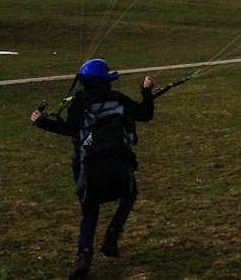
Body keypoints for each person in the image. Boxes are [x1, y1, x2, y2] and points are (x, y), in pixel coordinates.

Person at [31, 59, 155, 279]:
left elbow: (70, 129)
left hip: (89, 165)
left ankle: (84, 256)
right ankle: (113, 234)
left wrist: (42, 121)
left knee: (90, 212)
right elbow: (145, 114)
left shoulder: (80, 102)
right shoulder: (118, 98)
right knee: (129, 194)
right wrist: (146, 90)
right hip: (119, 161)